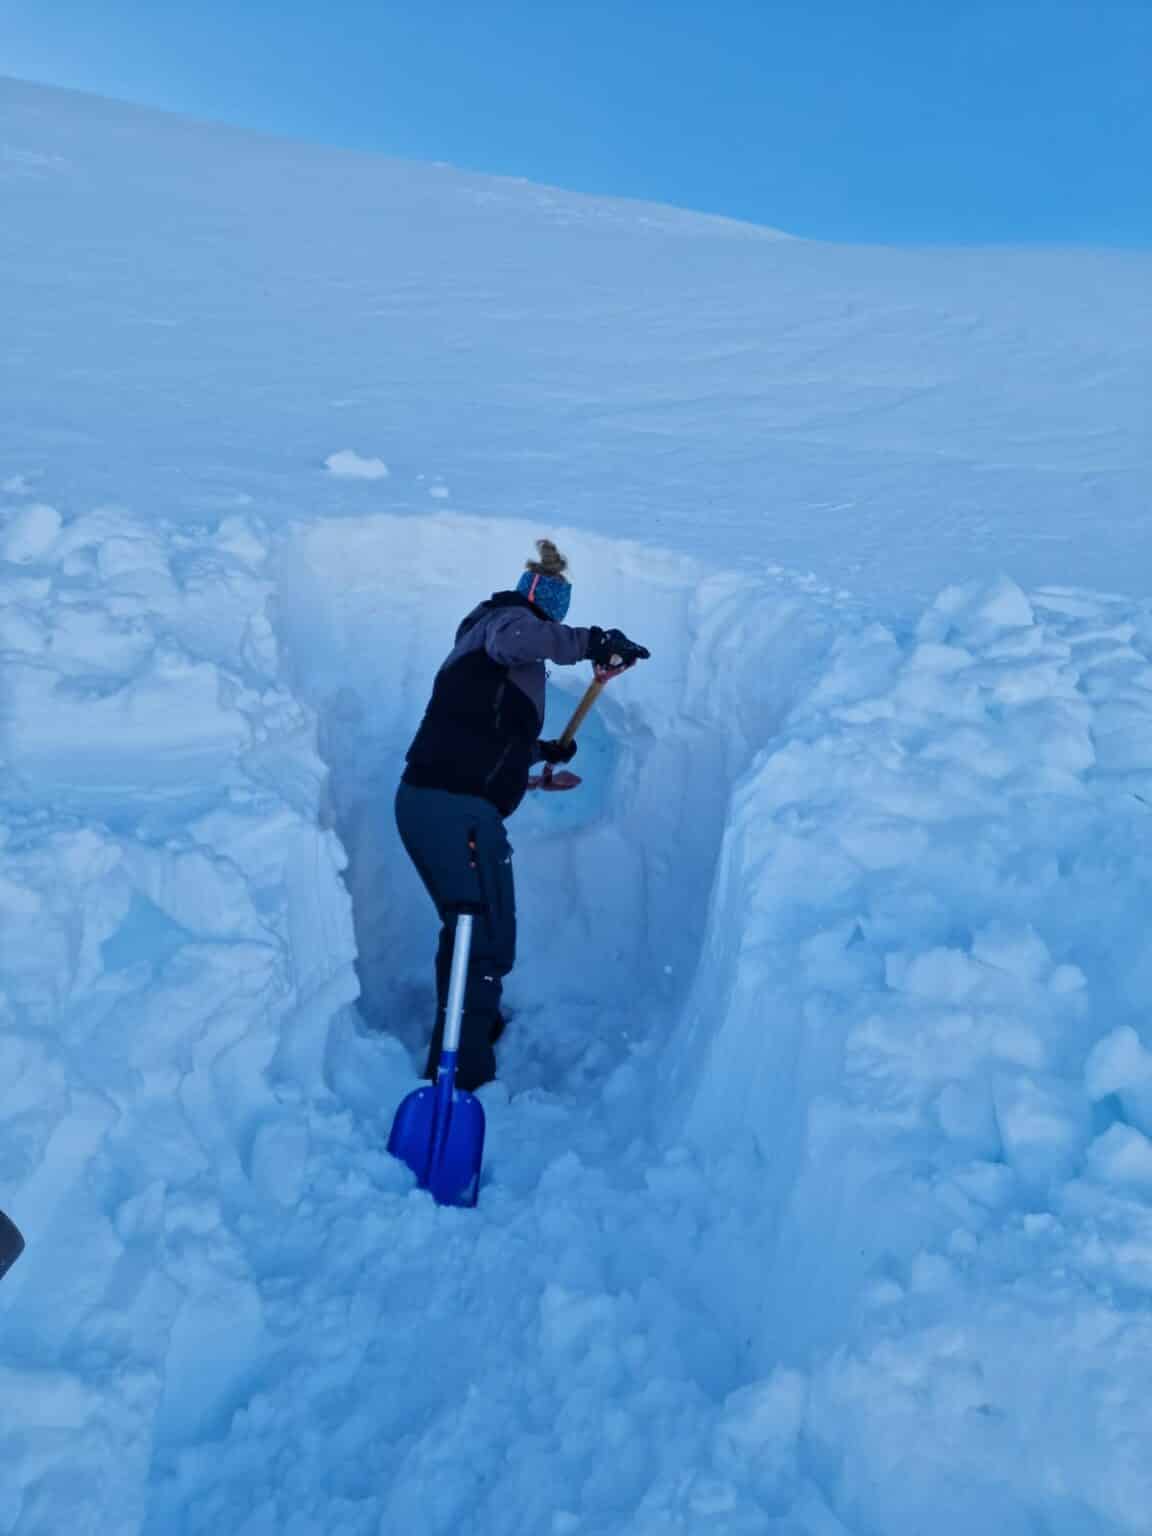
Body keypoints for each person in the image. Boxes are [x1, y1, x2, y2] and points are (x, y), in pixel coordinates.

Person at [395, 538, 650, 1090]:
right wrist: (593, 642)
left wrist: (535, 762)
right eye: (555, 617)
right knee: (481, 932)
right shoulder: (506, 623)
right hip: (452, 808)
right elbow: (521, 636)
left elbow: (484, 743)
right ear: (545, 605)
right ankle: (461, 1068)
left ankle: (469, 1030)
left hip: (443, 803)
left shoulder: (485, 658)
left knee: (473, 928)